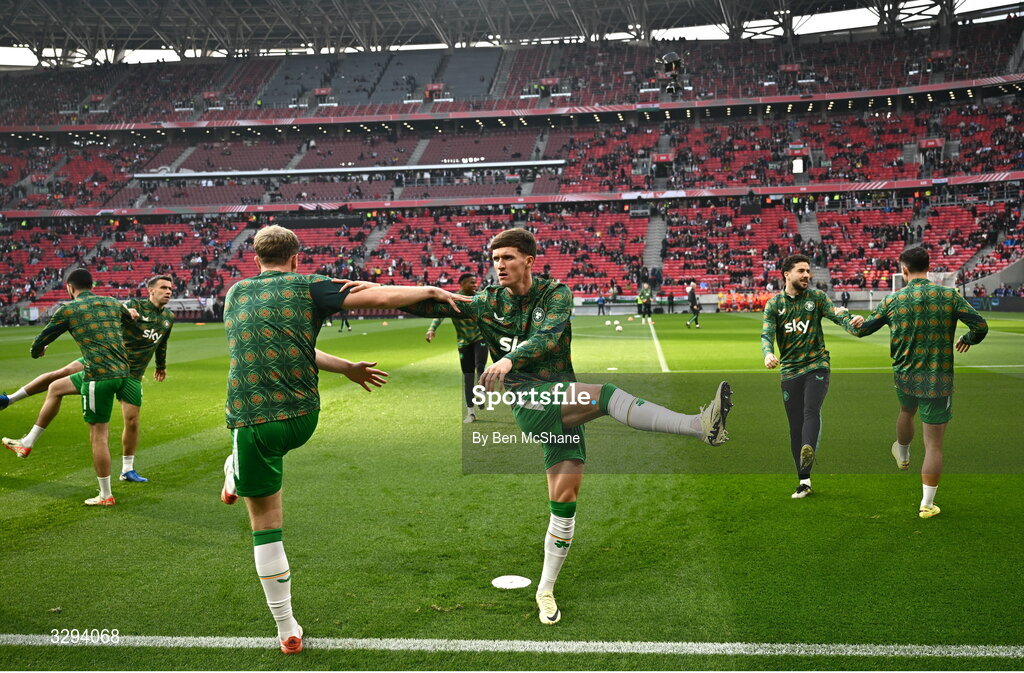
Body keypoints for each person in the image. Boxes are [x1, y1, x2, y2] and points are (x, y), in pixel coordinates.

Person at [403, 228, 732, 626]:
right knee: (608, 395)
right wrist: (361, 292)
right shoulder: (487, 301)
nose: (499, 265)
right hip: (531, 402)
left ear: (529, 259)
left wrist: (509, 359)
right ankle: (699, 425)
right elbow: (425, 307)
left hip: (561, 399)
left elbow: (546, 336)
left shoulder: (556, 294)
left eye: (508, 257)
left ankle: (545, 589)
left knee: (564, 509)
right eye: (495, 259)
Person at [218, 225, 469, 654]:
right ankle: (234, 470)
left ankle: (286, 629)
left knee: (266, 526)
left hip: (253, 420)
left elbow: (278, 342)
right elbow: (380, 298)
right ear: (297, 257)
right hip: (303, 417)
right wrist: (429, 287)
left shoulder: (236, 294)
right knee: (256, 467)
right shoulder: (310, 285)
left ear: (255, 259)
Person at [848, 246, 987, 518]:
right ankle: (926, 503)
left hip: (905, 376)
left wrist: (849, 318)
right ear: (929, 266)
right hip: (937, 378)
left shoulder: (893, 300)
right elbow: (980, 326)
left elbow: (862, 330)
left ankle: (903, 455)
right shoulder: (949, 295)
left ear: (904, 270)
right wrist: (967, 340)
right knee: (934, 445)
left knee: (905, 412)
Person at [3, 275, 175, 483]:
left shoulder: (168, 317)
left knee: (132, 421)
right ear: (151, 291)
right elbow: (107, 316)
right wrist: (127, 313)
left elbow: (162, 342)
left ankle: (127, 469)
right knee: (59, 375)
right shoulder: (133, 304)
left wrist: (161, 365)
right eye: (164, 287)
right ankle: (10, 399)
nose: (169, 291)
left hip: (132, 373)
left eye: (170, 288)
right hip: (104, 359)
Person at [18, 269, 137, 506]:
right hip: (123, 373)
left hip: (98, 376)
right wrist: (129, 313)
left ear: (69, 288)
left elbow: (40, 341)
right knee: (56, 387)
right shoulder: (112, 302)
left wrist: (37, 352)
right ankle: (27, 441)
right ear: (91, 285)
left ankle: (105, 495)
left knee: (98, 436)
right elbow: (129, 318)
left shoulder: (68, 309)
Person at [761, 255, 863, 499]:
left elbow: (837, 316)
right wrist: (767, 354)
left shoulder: (817, 298)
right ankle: (804, 481)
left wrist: (854, 323)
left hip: (817, 366)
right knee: (795, 427)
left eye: (808, 271)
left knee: (810, 410)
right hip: (789, 371)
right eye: (801, 271)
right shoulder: (774, 305)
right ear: (787, 274)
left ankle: (809, 450)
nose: (807, 275)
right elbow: (766, 334)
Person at [425, 274, 489, 423]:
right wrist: (431, 329)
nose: (475, 284)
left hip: (480, 338)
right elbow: (439, 315)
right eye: (471, 282)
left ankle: (480, 392)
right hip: (463, 342)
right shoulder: (452, 299)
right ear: (462, 283)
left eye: (475, 282)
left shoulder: (479, 297)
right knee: (468, 377)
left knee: (480, 367)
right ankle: (471, 413)